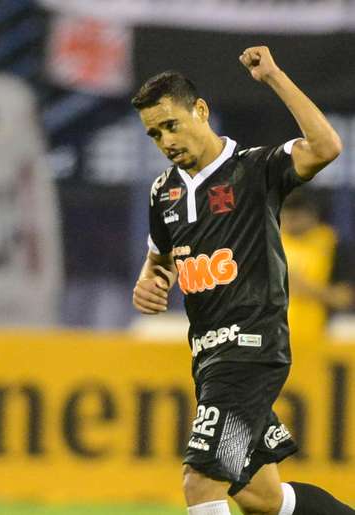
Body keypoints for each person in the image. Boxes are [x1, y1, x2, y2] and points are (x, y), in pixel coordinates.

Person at [131, 47, 353, 515]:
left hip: (250, 352)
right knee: (262, 497)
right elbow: (159, 262)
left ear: (201, 111)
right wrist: (149, 282)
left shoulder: (254, 169)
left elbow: (327, 147)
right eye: (154, 134)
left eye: (171, 125)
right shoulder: (163, 191)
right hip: (209, 360)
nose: (165, 140)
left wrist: (273, 77)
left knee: (201, 481)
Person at [281, 192, 354, 346]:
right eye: (285, 217)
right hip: (277, 334)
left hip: (324, 331)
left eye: (294, 217)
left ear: (311, 215)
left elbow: (345, 298)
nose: (289, 223)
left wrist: (305, 288)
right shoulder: (271, 243)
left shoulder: (334, 245)